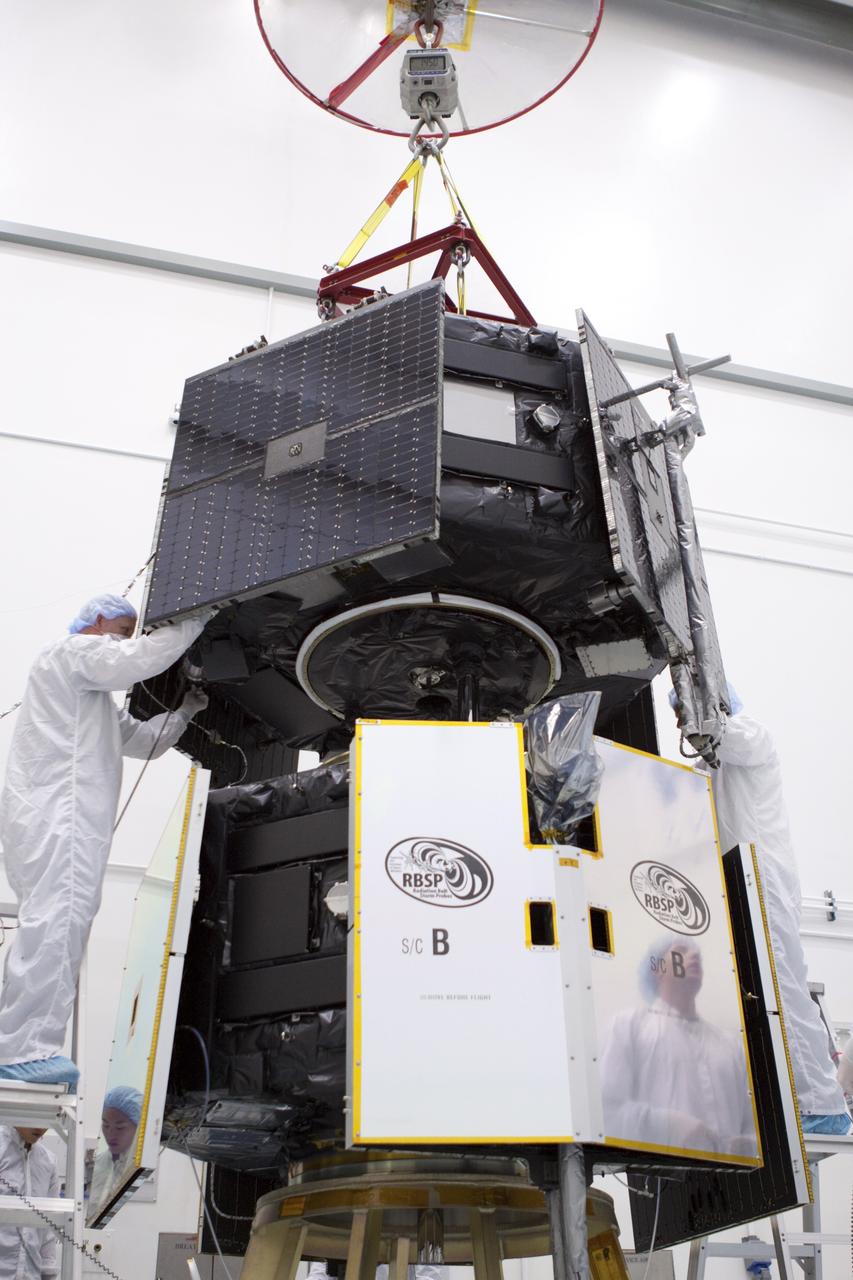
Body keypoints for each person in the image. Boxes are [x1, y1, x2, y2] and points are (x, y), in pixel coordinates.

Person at [0, 593, 213, 1087]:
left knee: (58, 922)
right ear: (96, 623)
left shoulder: (86, 696)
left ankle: (24, 1042)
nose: (126, 641)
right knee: (58, 920)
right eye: (121, 630)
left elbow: (145, 742)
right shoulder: (71, 654)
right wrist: (198, 614)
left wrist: (184, 711)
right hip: (61, 817)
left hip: (61, 820)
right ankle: (22, 1047)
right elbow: (138, 661)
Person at [676, 686, 851, 1134]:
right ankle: (785, 1101)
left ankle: (823, 1105)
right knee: (757, 996)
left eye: (686, 709)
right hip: (738, 881)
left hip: (764, 879)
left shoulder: (751, 734)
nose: (682, 720)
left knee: (783, 988)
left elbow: (731, 737)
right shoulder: (708, 766)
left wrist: (699, 704)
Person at [600, 935, 757, 1155]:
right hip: (658, 1174)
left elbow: (753, 1121)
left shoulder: (730, 1045)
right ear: (657, 968)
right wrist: (670, 1126)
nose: (693, 956)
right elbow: (606, 1110)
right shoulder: (628, 1026)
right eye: (682, 950)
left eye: (697, 954)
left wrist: (748, 1144)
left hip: (730, 1176)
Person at [0, 1125, 59, 1280]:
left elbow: (47, 1229)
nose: (41, 1127)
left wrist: (49, 1275)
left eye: (47, 1119)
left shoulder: (48, 1162)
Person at [88, 1085, 142, 1220]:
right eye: (105, 1125)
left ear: (138, 1127)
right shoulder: (97, 1165)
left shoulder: (140, 1166)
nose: (111, 1134)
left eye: (120, 1127)